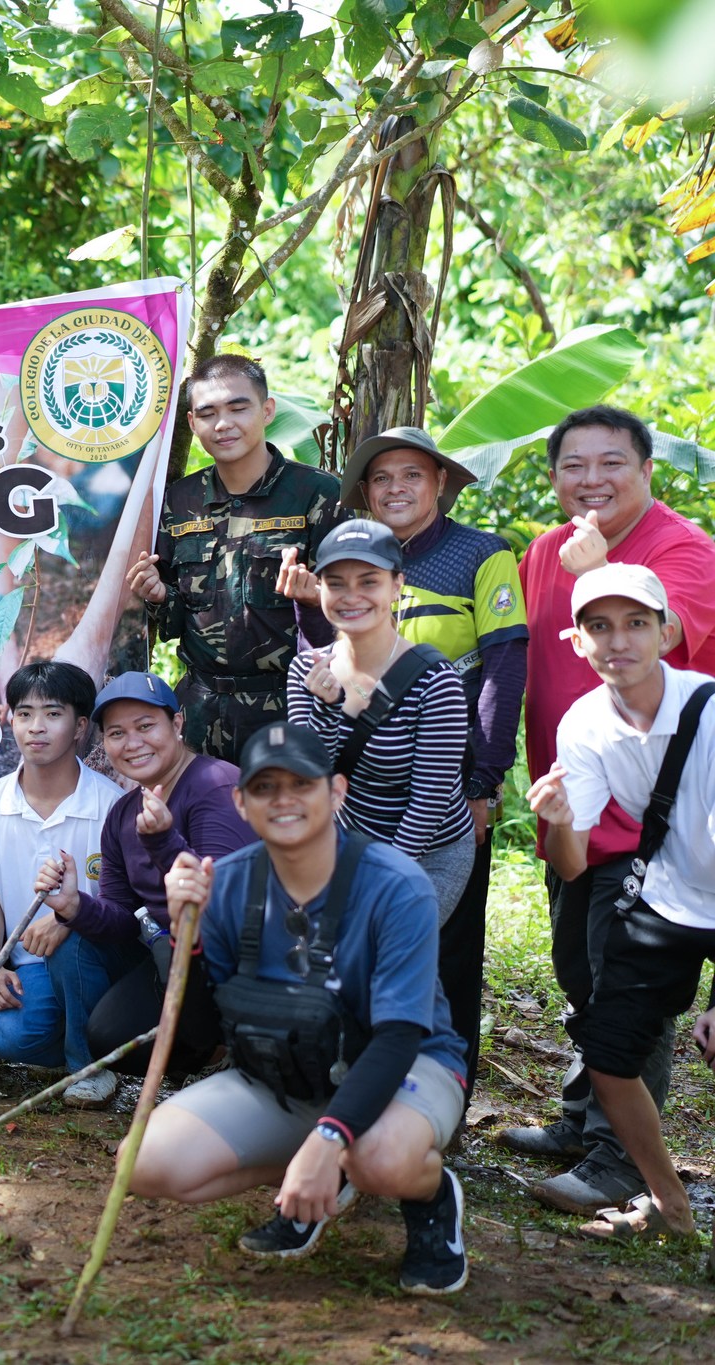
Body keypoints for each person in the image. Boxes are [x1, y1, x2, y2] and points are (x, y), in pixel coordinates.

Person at [131, 722, 471, 1296]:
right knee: (143, 1162)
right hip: (286, 1070)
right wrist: (183, 937)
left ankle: (428, 1196)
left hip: (405, 1067)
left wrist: (331, 1137)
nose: (283, 800)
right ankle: (325, 1166)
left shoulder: (397, 885)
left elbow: (398, 1036)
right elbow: (197, 1032)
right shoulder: (227, 883)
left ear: (336, 792)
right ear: (241, 801)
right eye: (265, 788)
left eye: (302, 784)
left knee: (380, 1158)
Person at [499, 406, 715, 1215]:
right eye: (573, 466)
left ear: (648, 469)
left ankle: (618, 1157)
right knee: (578, 970)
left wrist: (607, 561)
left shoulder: (685, 550)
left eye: (611, 463)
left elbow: (678, 645)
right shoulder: (543, 555)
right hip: (574, 801)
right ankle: (581, 1114)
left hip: (657, 819)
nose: (591, 480)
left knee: (624, 984)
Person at [312, 427, 528, 1091]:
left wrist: (481, 783)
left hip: (446, 791)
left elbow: (505, 664)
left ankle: (445, 1089)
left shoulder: (481, 554)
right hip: (365, 790)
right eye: (382, 478)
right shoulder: (347, 566)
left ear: (440, 483)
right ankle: (362, 1081)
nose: (397, 488)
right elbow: (328, 671)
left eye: (412, 475)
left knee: (445, 949)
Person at [525, 564, 715, 1242]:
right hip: (666, 893)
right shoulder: (583, 723)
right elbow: (574, 865)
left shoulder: (709, 709)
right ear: (577, 642)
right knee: (609, 1056)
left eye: (637, 622)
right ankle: (671, 1203)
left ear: (667, 632)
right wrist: (562, 818)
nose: (619, 640)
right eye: (599, 626)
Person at [37, 672, 257, 1080]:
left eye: (145, 727)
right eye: (117, 733)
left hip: (229, 957)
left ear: (176, 724)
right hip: (167, 952)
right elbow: (122, 916)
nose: (133, 743)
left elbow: (223, 903)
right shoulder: (124, 812)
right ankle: (198, 1051)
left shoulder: (216, 785)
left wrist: (162, 841)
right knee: (110, 1037)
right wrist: (73, 906)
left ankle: (229, 1047)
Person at [124, 353, 340, 762]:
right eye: (207, 413)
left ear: (267, 410)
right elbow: (175, 617)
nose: (223, 424)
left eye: (238, 408)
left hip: (292, 707)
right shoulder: (179, 500)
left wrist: (315, 600)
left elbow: (352, 609)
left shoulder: (318, 494)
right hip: (200, 710)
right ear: (193, 424)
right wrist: (156, 597)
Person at [288, 520, 474, 921]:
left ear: (396, 585)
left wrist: (382, 880)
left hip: (429, 849)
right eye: (336, 583)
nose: (351, 596)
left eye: (368, 582)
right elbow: (309, 781)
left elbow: (430, 799)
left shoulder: (435, 680)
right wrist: (326, 706)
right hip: (348, 841)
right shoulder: (306, 668)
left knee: (388, 949)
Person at [0, 661, 123, 1106]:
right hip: (26, 963)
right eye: (24, 713)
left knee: (72, 949)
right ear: (9, 720)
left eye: (53, 714)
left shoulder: (110, 805)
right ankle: (73, 1032)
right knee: (8, 1036)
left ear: (79, 727)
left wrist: (69, 920)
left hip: (91, 958)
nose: (36, 728)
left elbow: (119, 903)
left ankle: (92, 1066)